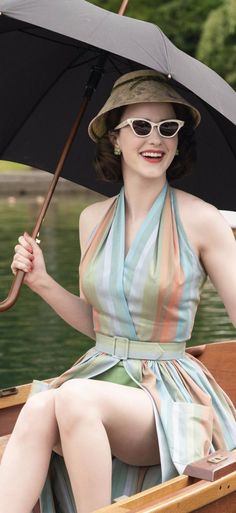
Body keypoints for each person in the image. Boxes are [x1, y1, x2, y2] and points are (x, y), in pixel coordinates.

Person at [0, 69, 236, 513]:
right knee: (37, 406)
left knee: (70, 397)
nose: (156, 139)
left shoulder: (203, 220)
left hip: (168, 393)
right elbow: (98, 323)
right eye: (141, 126)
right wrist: (42, 282)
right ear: (114, 138)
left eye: (169, 129)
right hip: (100, 372)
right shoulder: (93, 220)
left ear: (179, 140)